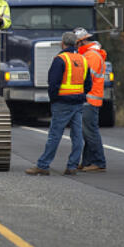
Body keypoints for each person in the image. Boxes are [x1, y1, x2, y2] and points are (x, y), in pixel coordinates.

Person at [25, 31, 92, 176]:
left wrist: (54, 99)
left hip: (62, 102)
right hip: (78, 102)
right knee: (77, 136)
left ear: (63, 43)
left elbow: (53, 84)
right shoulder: (83, 60)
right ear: (75, 44)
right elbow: (88, 84)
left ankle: (43, 165)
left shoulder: (60, 59)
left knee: (54, 135)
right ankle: (72, 166)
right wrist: (80, 95)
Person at [74, 27, 107, 171]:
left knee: (90, 131)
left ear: (81, 42)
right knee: (86, 132)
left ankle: (99, 162)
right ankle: (87, 162)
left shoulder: (91, 56)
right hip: (89, 99)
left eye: (75, 44)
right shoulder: (89, 54)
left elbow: (87, 79)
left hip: (90, 99)